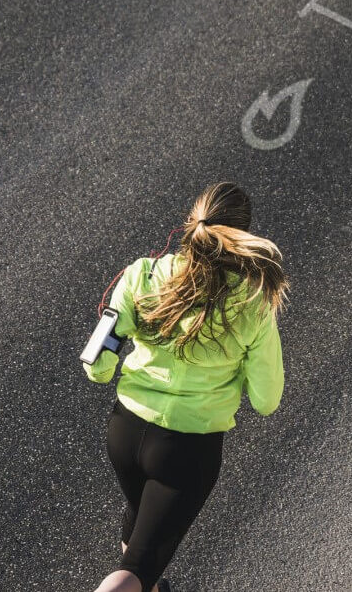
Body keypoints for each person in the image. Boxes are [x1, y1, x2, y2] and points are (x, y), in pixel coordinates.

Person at [83, 181, 290, 592]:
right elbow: (267, 401)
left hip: (125, 432)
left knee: (142, 532)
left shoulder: (141, 274)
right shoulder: (251, 303)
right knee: (138, 567)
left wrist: (109, 370)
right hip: (187, 450)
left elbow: (97, 364)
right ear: (241, 237)